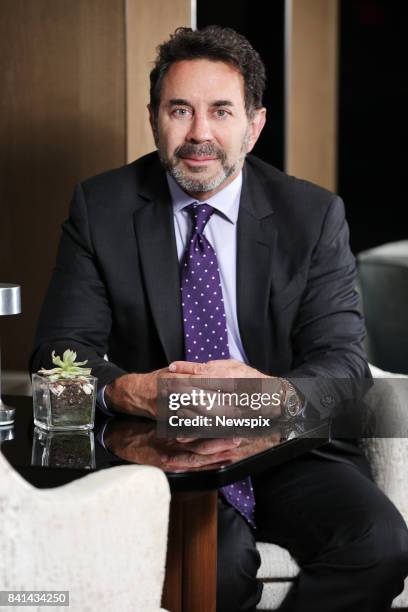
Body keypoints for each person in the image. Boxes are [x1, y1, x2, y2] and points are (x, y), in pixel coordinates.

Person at [30, 25, 408, 612]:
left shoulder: (313, 215)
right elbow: (55, 363)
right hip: (163, 451)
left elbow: (343, 367)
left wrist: (266, 398)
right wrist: (134, 390)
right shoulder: (99, 209)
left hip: (284, 445)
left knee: (379, 546)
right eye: (180, 110)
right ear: (154, 117)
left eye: (221, 111)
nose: (199, 134)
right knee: (218, 569)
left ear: (254, 126)